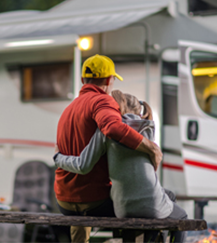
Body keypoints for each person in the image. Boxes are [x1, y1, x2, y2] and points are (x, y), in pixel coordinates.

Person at [54, 90, 187, 243]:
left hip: (121, 206)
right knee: (181, 216)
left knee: (167, 198)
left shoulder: (103, 131)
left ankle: (157, 236)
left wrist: (58, 157)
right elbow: (152, 168)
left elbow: (83, 165)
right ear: (140, 110)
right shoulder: (148, 127)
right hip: (150, 202)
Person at [55, 54, 163, 243]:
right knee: (137, 210)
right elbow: (113, 127)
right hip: (93, 201)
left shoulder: (68, 110)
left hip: (64, 201)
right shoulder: (102, 101)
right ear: (108, 80)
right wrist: (151, 148)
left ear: (83, 80)